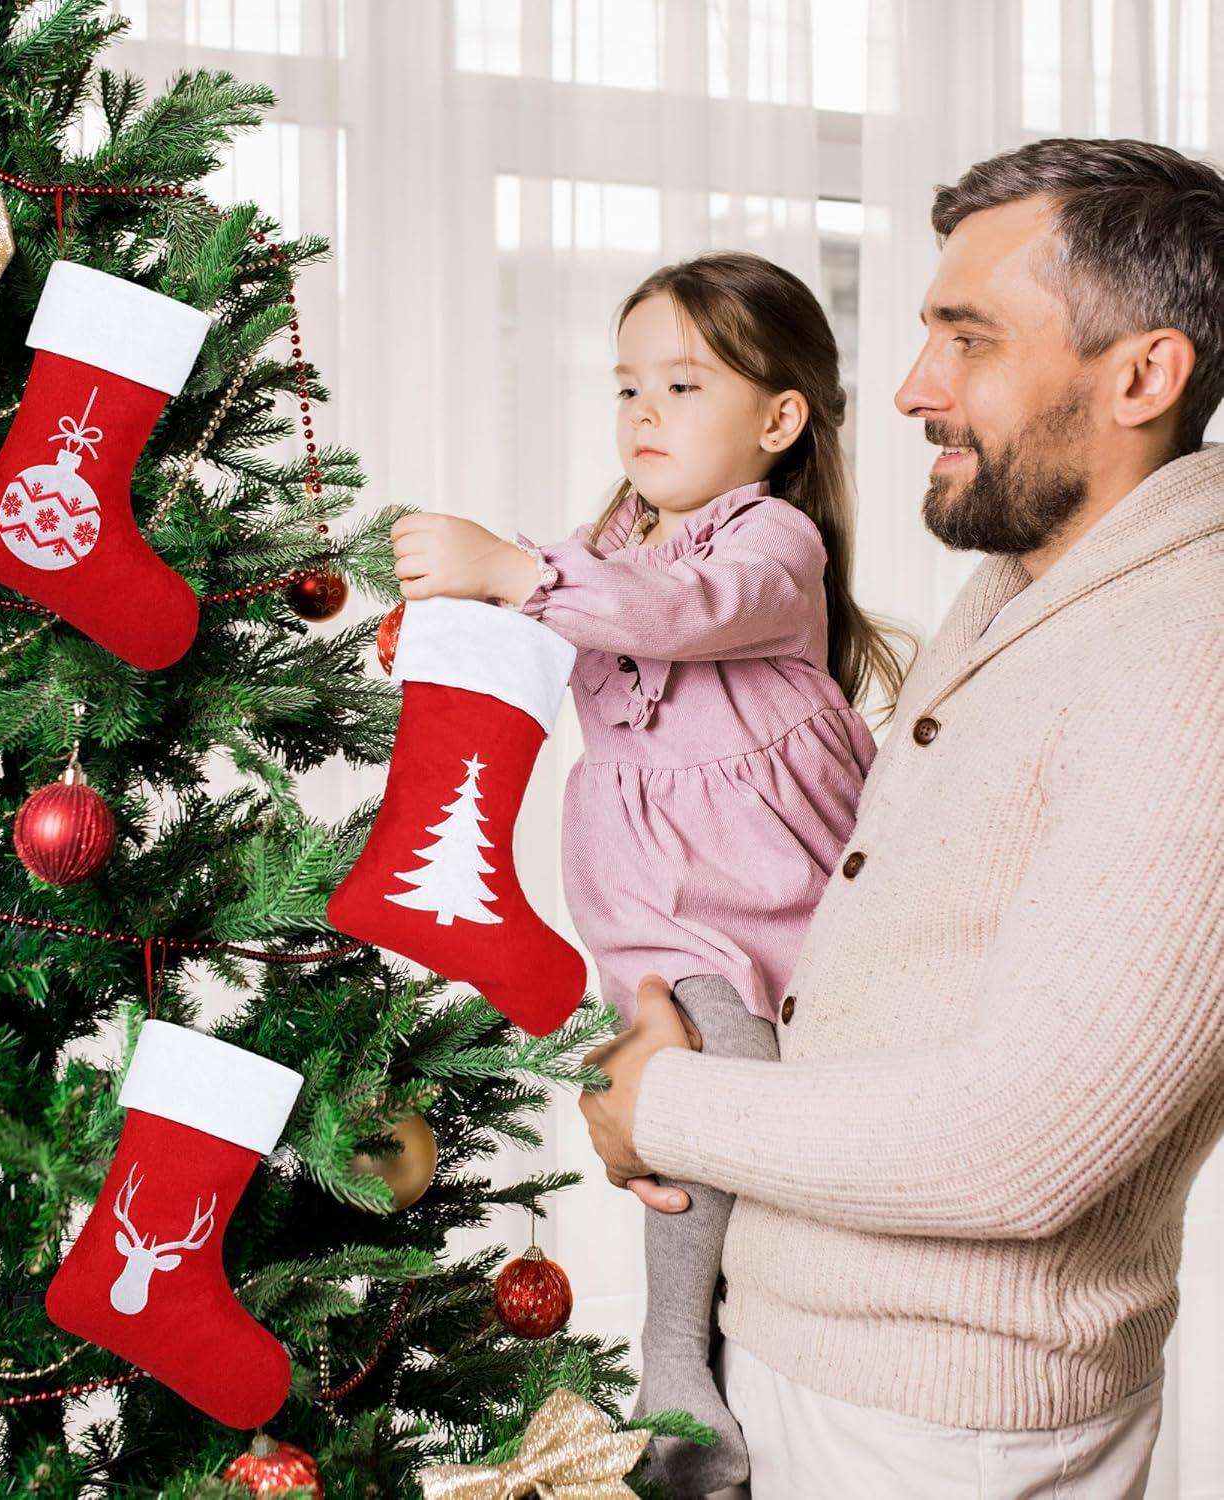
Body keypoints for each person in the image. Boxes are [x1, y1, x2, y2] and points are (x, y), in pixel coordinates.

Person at [578, 136, 1224, 1498]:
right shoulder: (1024, 590)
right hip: (802, 1357)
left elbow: (1025, 1146)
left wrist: (667, 1107)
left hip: (942, 1432)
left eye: (970, 340)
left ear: (1145, 377)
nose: (919, 388)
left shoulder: (1193, 657)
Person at [389, 251, 907, 1493]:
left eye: (681, 385)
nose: (642, 416)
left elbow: (675, 613)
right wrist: (449, 608)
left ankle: (673, 1357)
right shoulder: (602, 544)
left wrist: (514, 573)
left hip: (759, 891)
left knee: (716, 1087)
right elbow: (547, 615)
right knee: (670, 1095)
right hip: (647, 898)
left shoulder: (773, 544)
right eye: (627, 388)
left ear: (777, 422)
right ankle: (694, 1356)